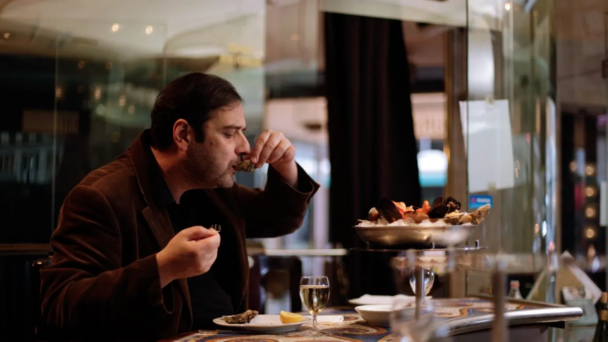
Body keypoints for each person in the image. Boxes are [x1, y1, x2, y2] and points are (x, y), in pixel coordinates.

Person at [39, 72, 320, 341]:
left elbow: (276, 219)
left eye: (242, 132)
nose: (245, 147)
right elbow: (60, 306)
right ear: (183, 135)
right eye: (230, 133)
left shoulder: (212, 189)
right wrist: (162, 268)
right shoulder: (102, 196)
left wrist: (285, 165)